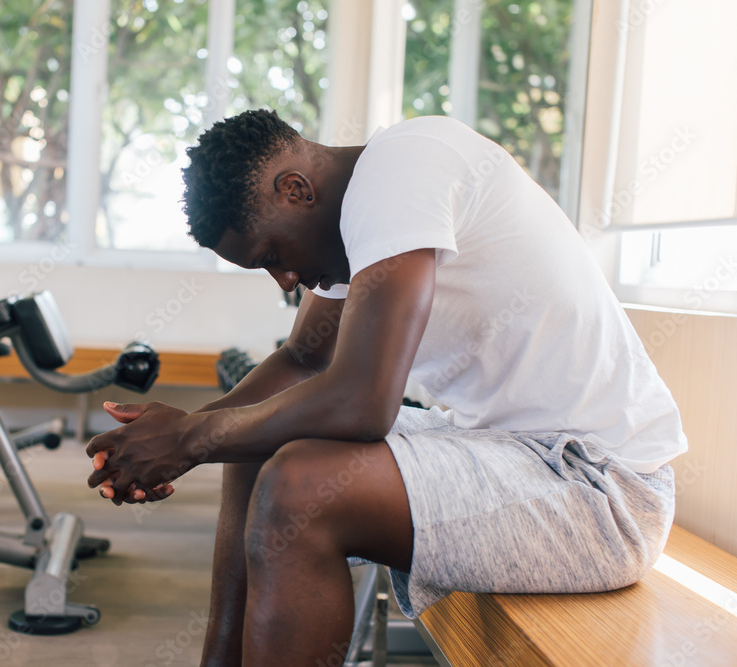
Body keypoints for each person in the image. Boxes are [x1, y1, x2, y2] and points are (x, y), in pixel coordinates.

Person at [86, 109, 687, 666]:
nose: (286, 280)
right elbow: (301, 358)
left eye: (274, 254)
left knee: (298, 488)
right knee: (255, 439)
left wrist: (190, 438)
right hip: (515, 452)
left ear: (295, 190)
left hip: (601, 490)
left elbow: (362, 404)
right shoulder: (364, 213)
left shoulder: (401, 171)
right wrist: (179, 432)